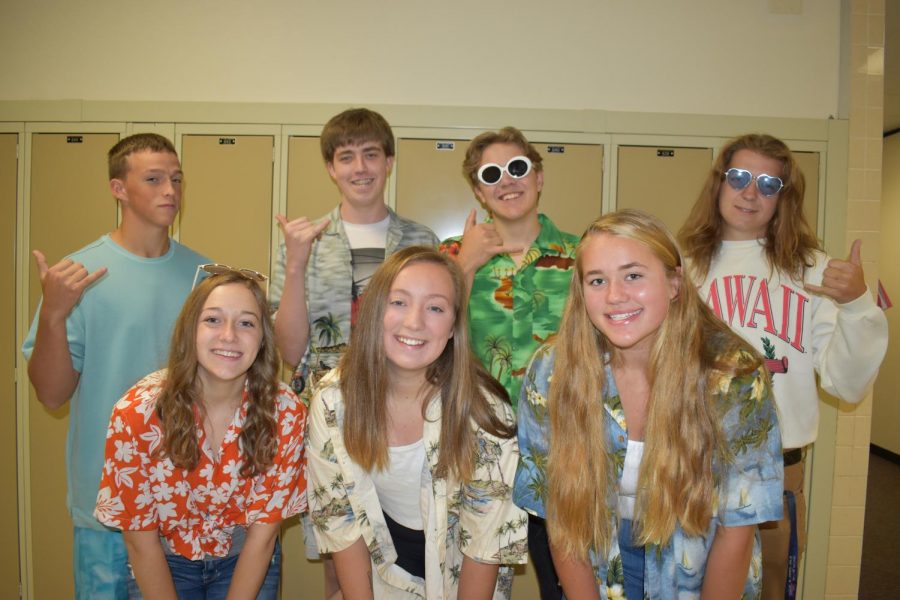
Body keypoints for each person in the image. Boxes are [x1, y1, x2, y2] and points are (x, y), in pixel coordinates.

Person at [513, 209, 784, 599]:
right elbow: (563, 515)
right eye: (597, 280)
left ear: (674, 282)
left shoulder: (731, 374)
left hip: (702, 559)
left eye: (634, 275)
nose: (615, 295)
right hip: (597, 554)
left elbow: (737, 526)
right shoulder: (553, 371)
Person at [677, 133, 888, 599]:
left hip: (777, 469)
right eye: (739, 177)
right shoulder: (682, 265)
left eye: (769, 184)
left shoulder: (814, 270)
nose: (751, 192)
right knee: (686, 585)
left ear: (783, 198)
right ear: (719, 183)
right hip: (692, 462)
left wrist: (856, 306)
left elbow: (848, 386)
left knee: (772, 588)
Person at [22, 133, 210, 598]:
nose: (170, 190)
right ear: (118, 189)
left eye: (176, 179)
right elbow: (51, 393)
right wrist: (53, 314)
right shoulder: (76, 277)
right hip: (106, 507)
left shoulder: (205, 278)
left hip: (184, 503)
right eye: (153, 179)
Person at [306, 246, 528, 599]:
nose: (414, 322)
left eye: (436, 308)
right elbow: (342, 525)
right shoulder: (334, 402)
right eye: (399, 302)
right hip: (381, 575)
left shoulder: (485, 413)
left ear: (455, 326)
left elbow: (485, 544)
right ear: (376, 310)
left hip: (461, 580)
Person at [94, 267, 306, 598]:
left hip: (246, 554)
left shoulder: (286, 412)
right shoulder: (137, 412)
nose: (229, 336)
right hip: (162, 559)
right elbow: (140, 540)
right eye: (213, 320)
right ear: (190, 329)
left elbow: (263, 537)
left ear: (263, 337)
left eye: (246, 323)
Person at [439, 126, 578, 599]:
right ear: (479, 190)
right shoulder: (448, 260)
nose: (507, 181)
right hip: (475, 448)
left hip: (562, 449)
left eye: (517, 168)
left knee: (565, 581)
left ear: (538, 177)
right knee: (472, 583)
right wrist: (466, 265)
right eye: (491, 174)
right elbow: (418, 332)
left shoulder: (583, 258)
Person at [271, 107, 439, 398]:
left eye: (371, 154)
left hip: (404, 401)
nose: (360, 167)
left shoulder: (422, 242)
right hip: (324, 406)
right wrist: (296, 265)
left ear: (389, 162)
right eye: (346, 157)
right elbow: (289, 352)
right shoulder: (302, 244)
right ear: (331, 169)